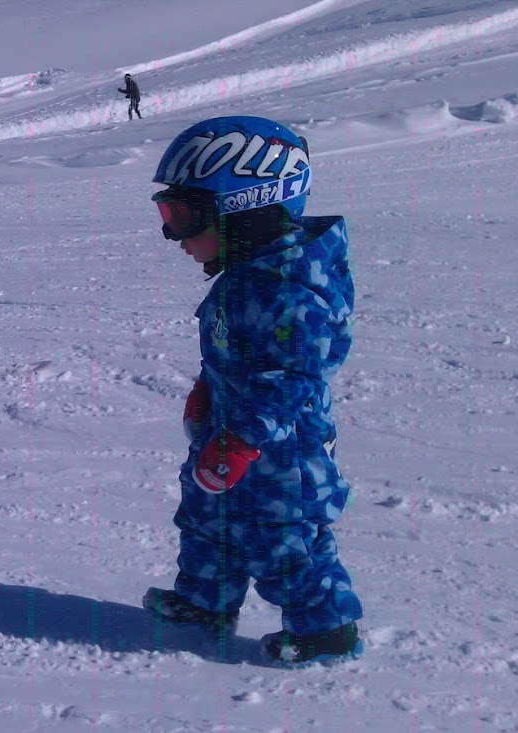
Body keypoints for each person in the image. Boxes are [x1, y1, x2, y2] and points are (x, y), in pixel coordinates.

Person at [141, 116, 364, 666]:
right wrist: (205, 390)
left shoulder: (287, 292)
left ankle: (325, 629)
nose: (175, 236)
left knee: (281, 537)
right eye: (169, 215)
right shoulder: (251, 276)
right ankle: (205, 600)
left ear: (250, 209)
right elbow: (241, 354)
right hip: (229, 429)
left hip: (280, 452)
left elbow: (289, 378)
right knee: (208, 519)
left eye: (184, 217)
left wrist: (241, 439)